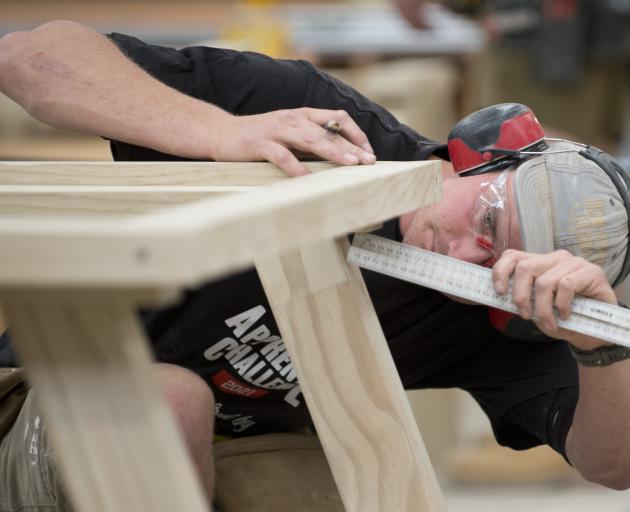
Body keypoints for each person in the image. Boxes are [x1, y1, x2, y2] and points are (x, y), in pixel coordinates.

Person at [0, 20, 629, 511]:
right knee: (171, 402)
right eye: (486, 222)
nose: (462, 257)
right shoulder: (316, 124)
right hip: (49, 395)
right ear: (477, 153)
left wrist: (602, 350)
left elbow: (613, 466)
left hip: (236, 452)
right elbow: (26, 59)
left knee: (358, 484)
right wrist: (219, 134)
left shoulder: (504, 315)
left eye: (498, 271)